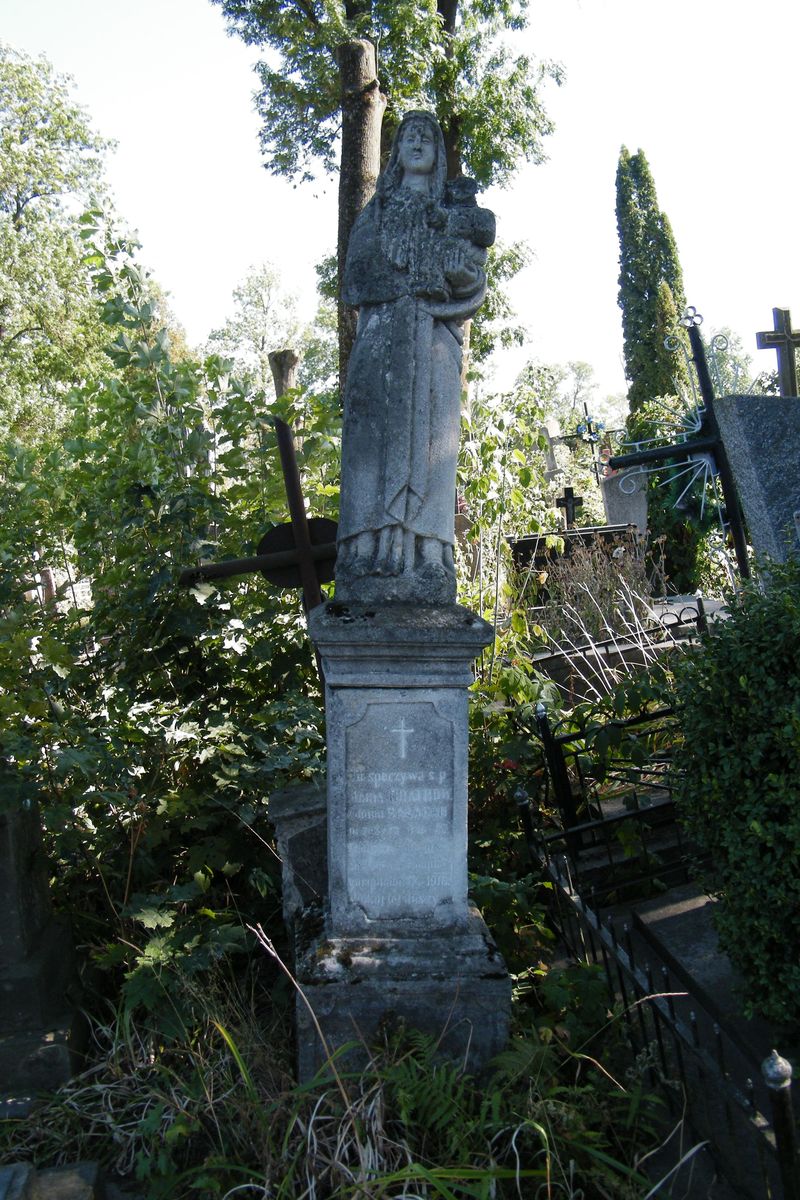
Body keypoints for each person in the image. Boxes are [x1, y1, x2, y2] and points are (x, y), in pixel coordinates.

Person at [334, 110, 495, 604]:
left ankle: (429, 554)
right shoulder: (376, 212)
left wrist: (445, 274)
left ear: (440, 155)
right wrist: (404, 285)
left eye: (429, 135)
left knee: (433, 448)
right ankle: (363, 551)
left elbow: (472, 277)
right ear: (396, 150)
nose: (420, 142)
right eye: (410, 135)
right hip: (381, 342)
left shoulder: (456, 217)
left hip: (432, 342)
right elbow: (354, 280)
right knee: (368, 450)